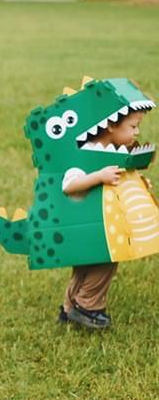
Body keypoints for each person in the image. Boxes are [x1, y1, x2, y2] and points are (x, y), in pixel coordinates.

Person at [59, 109, 146, 329]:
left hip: (99, 225)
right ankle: (87, 306)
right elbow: (69, 185)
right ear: (111, 126)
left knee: (86, 266)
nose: (137, 132)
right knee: (105, 261)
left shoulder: (112, 153)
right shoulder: (87, 152)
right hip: (86, 225)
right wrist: (98, 176)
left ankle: (69, 308)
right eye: (133, 126)